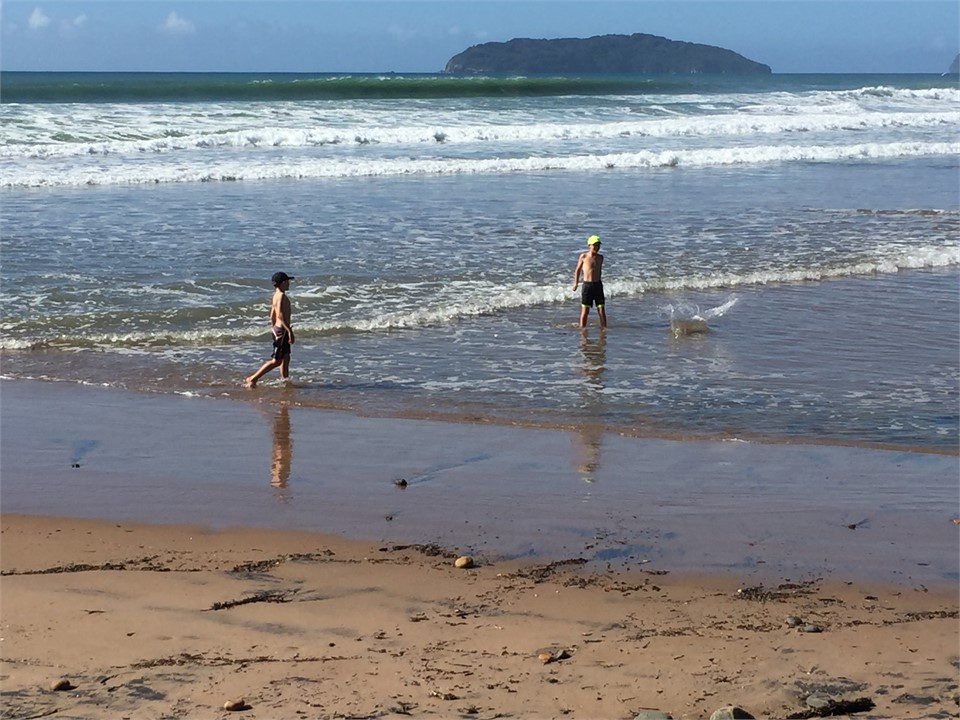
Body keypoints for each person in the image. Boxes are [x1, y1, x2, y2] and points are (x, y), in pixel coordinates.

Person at [245, 271, 295, 387]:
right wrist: (289, 331)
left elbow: (272, 314)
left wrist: (273, 327)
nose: (289, 283)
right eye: (287, 281)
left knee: (286, 357)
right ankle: (253, 378)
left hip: (278, 329)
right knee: (277, 360)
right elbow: (280, 316)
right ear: (282, 283)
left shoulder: (276, 295)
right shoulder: (281, 296)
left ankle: (284, 380)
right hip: (282, 331)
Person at [572, 234, 607, 328]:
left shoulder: (600, 257)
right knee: (585, 311)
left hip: (598, 285)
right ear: (589, 246)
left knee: (601, 310)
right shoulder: (583, 256)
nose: (596, 247)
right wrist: (575, 283)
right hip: (587, 286)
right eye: (594, 245)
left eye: (598, 245)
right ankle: (582, 328)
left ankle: (604, 329)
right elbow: (577, 270)